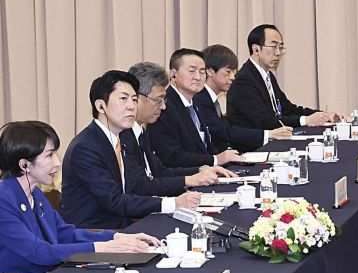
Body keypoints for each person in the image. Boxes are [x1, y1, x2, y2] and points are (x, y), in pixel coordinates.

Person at [0, 121, 158, 273]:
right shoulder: (3, 200)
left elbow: (65, 234)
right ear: (24, 165)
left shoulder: (35, 194)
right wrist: (102, 248)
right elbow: (38, 252)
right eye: (49, 155)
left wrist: (118, 237)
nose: (57, 162)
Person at [61, 70, 202, 229]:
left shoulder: (119, 138)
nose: (131, 106)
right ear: (100, 106)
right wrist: (173, 203)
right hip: (95, 234)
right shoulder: (86, 147)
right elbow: (115, 201)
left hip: (122, 225)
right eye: (123, 99)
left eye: (134, 99)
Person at [127, 61, 233, 195]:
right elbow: (142, 186)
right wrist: (189, 181)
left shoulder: (140, 130)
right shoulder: (124, 136)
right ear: (137, 98)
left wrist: (199, 171)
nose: (163, 107)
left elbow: (159, 171)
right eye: (158, 100)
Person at [226, 24, 338, 130]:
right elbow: (264, 121)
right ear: (256, 50)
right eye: (274, 46)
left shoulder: (267, 76)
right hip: (254, 147)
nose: (278, 53)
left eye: (281, 47)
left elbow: (287, 109)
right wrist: (305, 120)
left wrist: (323, 115)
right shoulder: (244, 80)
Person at [150, 48, 243, 168]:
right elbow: (171, 156)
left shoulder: (196, 101)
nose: (198, 77)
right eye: (192, 71)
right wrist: (215, 159)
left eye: (202, 71)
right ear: (173, 74)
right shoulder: (164, 106)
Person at [198, 44, 291, 152]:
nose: (233, 77)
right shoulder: (201, 99)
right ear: (210, 71)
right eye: (228, 72)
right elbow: (223, 132)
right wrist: (268, 134)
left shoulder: (210, 98)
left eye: (234, 72)